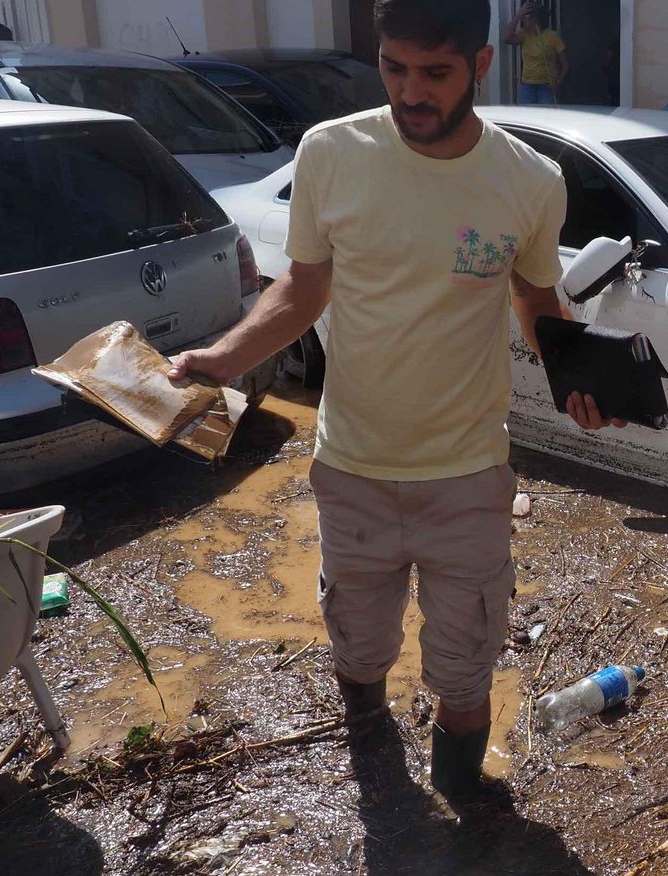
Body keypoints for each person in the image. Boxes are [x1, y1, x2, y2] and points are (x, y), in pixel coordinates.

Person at [167, 0, 621, 805]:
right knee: (358, 645)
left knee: (465, 662)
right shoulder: (332, 154)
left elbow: (534, 293)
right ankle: (380, 790)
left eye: (435, 73)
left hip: (469, 473)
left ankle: (466, 816)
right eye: (394, 68)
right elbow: (302, 290)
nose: (411, 92)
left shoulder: (528, 180)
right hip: (353, 466)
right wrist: (224, 357)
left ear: (480, 67)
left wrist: (579, 377)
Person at [502, 1, 568, 105]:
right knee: (527, 116)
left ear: (535, 19)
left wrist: (558, 83)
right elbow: (506, 38)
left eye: (526, 16)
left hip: (547, 86)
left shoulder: (552, 36)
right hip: (527, 86)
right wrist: (518, 15)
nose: (523, 20)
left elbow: (565, 64)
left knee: (546, 116)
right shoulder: (524, 34)